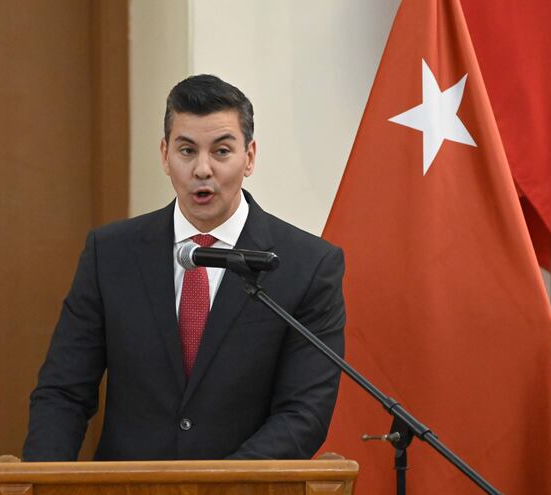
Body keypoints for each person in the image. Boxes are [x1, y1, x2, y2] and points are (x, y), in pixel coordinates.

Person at [23, 74, 345, 461]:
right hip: (127, 487)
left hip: (245, 488)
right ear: (165, 155)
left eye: (221, 151)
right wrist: (44, 480)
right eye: (187, 150)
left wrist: (217, 485)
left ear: (249, 157)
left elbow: (303, 414)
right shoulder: (110, 254)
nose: (202, 169)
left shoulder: (307, 266)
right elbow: (63, 392)